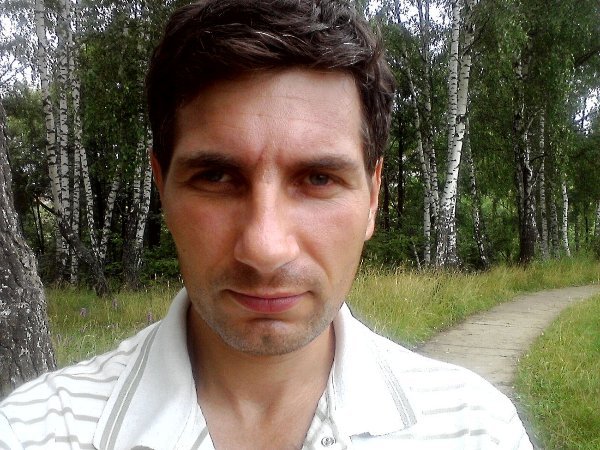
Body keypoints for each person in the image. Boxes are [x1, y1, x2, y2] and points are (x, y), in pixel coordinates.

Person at [0, 1, 533, 448]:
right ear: (162, 188)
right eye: (216, 177)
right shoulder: (33, 432)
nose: (265, 248)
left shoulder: (477, 429)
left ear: (373, 198)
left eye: (318, 178)